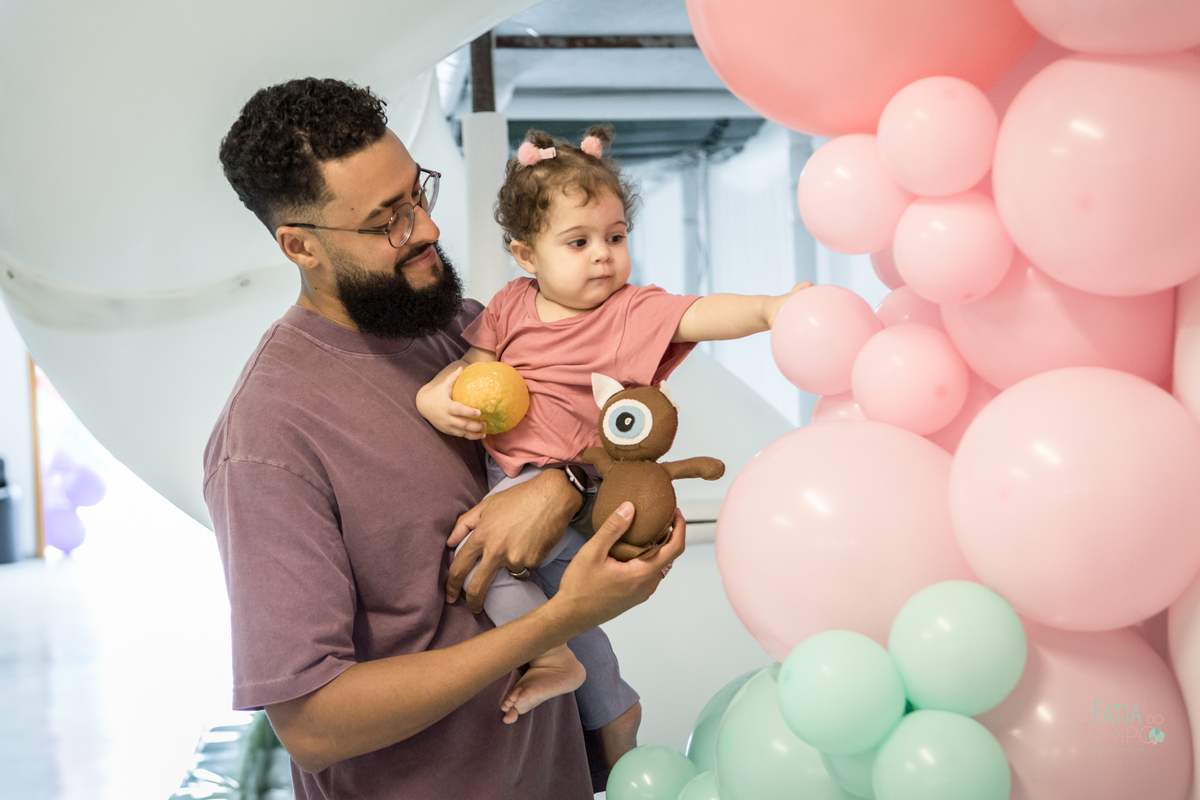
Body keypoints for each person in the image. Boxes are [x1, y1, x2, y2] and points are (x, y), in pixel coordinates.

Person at [203, 77, 684, 800]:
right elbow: (313, 724)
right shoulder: (270, 435)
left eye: (417, 194)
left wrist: (565, 484)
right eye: (386, 220)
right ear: (300, 245)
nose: (424, 228)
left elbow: (606, 431)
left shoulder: (466, 327)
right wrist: (560, 622)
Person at [415, 126, 808, 760]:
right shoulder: (511, 305)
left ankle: (548, 657)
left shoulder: (628, 311)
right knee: (566, 610)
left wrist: (769, 310)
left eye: (616, 237)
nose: (603, 255)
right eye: (579, 242)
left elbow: (700, 312)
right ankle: (617, 714)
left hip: (580, 487)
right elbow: (470, 367)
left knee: (485, 562)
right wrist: (432, 397)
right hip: (513, 484)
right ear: (525, 255)